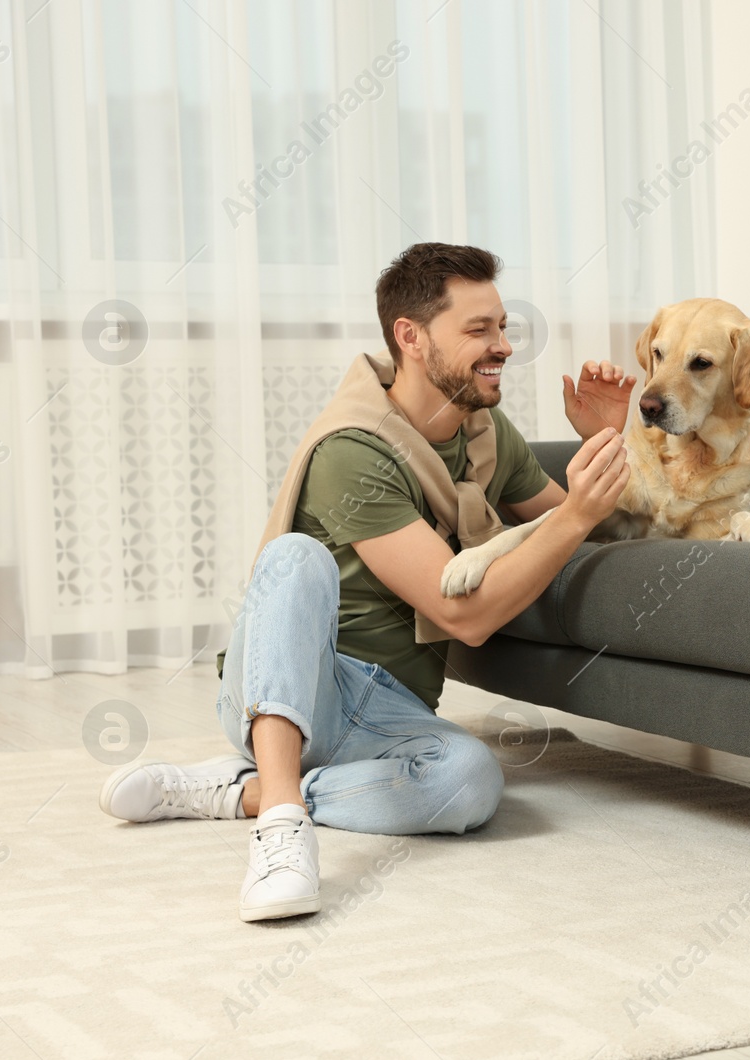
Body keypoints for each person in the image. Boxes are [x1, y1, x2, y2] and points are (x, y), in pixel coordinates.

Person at [97, 243, 635, 921]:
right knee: (295, 558)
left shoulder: (486, 432)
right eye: (479, 330)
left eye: (503, 326)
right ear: (410, 336)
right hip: (293, 688)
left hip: (391, 708)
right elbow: (464, 611)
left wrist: (603, 440)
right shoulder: (353, 447)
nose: (502, 345)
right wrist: (579, 512)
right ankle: (282, 825)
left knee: (471, 782)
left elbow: (571, 528)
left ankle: (243, 791)